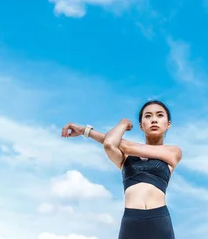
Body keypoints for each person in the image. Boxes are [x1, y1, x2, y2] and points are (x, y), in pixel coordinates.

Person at [61, 100, 182, 239]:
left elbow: (123, 145)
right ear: (141, 126)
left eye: (159, 115)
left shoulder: (173, 152)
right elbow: (109, 144)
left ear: (168, 124)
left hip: (159, 220)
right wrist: (123, 123)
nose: (154, 120)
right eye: (148, 116)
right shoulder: (126, 158)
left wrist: (85, 131)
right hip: (131, 221)